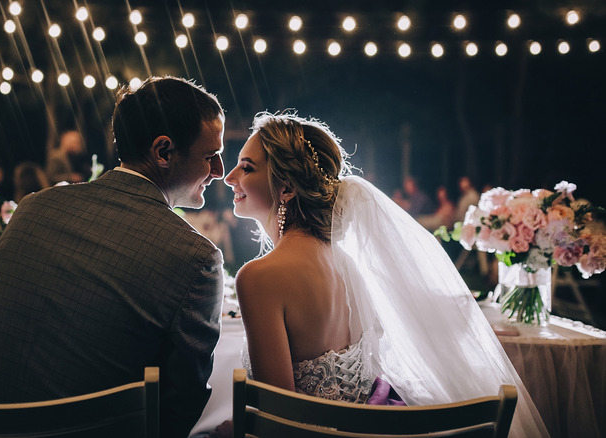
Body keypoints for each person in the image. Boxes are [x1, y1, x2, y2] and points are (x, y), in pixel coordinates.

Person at [221, 111, 548, 437]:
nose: (229, 176)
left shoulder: (259, 277)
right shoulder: (349, 265)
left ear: (287, 187)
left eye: (246, 167)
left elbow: (278, 421)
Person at [0, 76, 226, 438]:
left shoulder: (31, 208)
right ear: (164, 152)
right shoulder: (196, 258)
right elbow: (178, 409)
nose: (220, 172)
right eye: (210, 156)